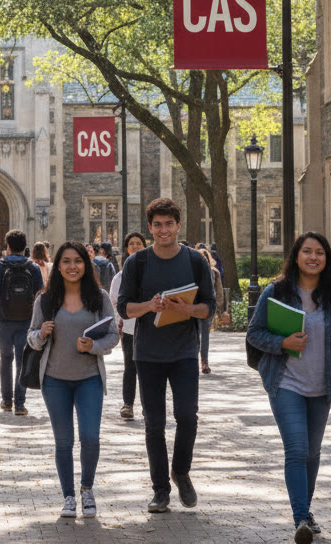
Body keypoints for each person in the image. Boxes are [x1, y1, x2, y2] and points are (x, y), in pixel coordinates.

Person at [247, 233, 331, 543]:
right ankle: (300, 518)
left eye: (320, 252)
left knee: (312, 453)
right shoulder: (277, 291)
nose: (314, 257)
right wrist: (282, 342)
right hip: (286, 383)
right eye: (307, 251)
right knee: (296, 450)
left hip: (322, 386)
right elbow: (254, 334)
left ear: (327, 259)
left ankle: (306, 512)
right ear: (296, 256)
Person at [115, 198, 216, 513]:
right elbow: (123, 307)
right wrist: (149, 306)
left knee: (187, 417)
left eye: (168, 224)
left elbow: (209, 306)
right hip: (148, 355)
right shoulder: (138, 263)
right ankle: (160, 490)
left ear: (178, 225)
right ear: (150, 227)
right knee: (154, 424)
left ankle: (181, 471)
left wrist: (187, 309)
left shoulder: (195, 261)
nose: (163, 230)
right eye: (157, 225)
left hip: (185, 351)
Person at [28, 242, 121, 518]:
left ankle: (87, 489)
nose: (72, 266)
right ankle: (68, 496)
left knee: (90, 437)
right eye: (66, 261)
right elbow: (30, 337)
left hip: (89, 378)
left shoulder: (99, 297)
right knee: (64, 441)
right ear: (58, 266)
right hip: (55, 380)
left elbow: (113, 336)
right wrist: (41, 334)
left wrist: (92, 346)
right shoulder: (45, 300)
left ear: (86, 265)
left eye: (78, 261)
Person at [0, 229, 44, 416]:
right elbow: (41, 298)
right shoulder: (33, 268)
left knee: (5, 359)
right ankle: (19, 403)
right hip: (26, 320)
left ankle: (6, 400)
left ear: (8, 246)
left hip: (4, 320)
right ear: (25, 247)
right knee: (21, 360)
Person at [109, 232, 147, 420]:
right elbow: (114, 302)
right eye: (131, 244)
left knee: (149, 368)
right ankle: (128, 404)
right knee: (130, 367)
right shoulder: (120, 277)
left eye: (138, 243)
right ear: (126, 248)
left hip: (151, 327)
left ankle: (149, 405)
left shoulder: (153, 272)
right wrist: (118, 327)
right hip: (129, 327)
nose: (135, 246)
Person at [195, 245, 222, 375]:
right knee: (194, 336)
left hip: (207, 308)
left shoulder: (214, 272)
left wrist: (221, 309)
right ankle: (193, 360)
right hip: (193, 308)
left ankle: (204, 361)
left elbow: (219, 291)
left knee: (205, 335)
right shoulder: (191, 273)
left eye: (204, 257)